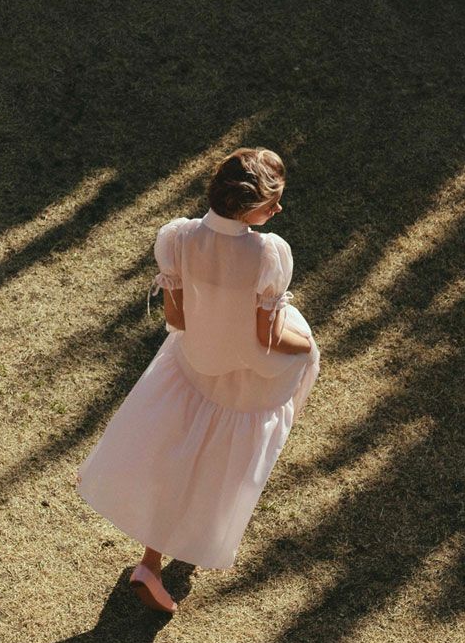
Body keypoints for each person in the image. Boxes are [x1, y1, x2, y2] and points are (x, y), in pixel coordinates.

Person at [76, 147, 321, 613]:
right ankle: (183, 546)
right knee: (216, 468)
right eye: (271, 203)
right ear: (247, 207)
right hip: (246, 383)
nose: (278, 210)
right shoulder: (268, 253)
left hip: (193, 367)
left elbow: (177, 319)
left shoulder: (179, 237)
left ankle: (150, 562)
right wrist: (307, 345)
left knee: (178, 458)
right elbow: (267, 337)